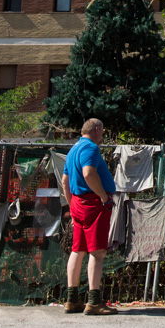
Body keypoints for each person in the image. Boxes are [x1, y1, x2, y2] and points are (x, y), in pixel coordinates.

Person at [61, 118, 119, 315]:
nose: (102, 136)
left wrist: (71, 205)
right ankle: (94, 301)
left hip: (77, 203)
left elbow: (64, 181)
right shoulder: (91, 148)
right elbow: (88, 173)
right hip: (93, 203)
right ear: (96, 130)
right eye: (102, 132)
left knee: (78, 250)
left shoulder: (73, 150)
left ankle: (72, 299)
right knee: (97, 252)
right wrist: (103, 197)